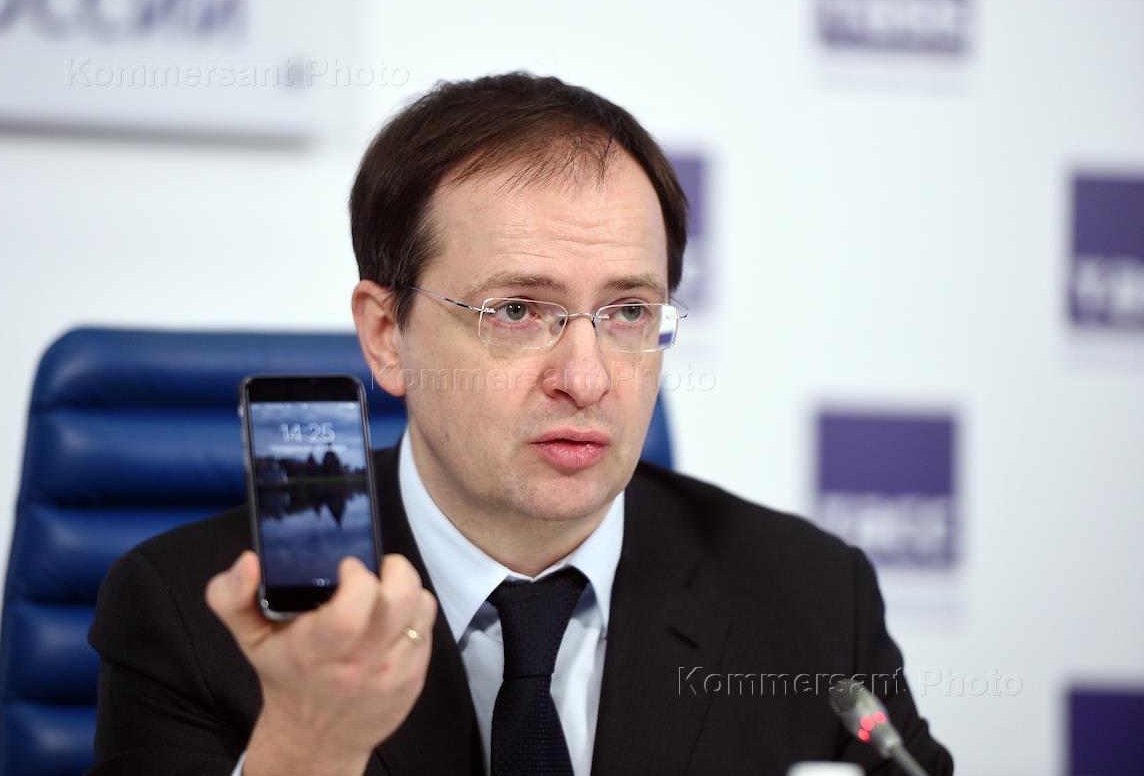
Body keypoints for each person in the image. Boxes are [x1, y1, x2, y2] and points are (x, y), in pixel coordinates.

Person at [86, 72, 954, 775]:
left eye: (628, 312)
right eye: (516, 311)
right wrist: (309, 746)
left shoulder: (811, 599)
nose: (586, 378)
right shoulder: (190, 616)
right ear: (387, 335)